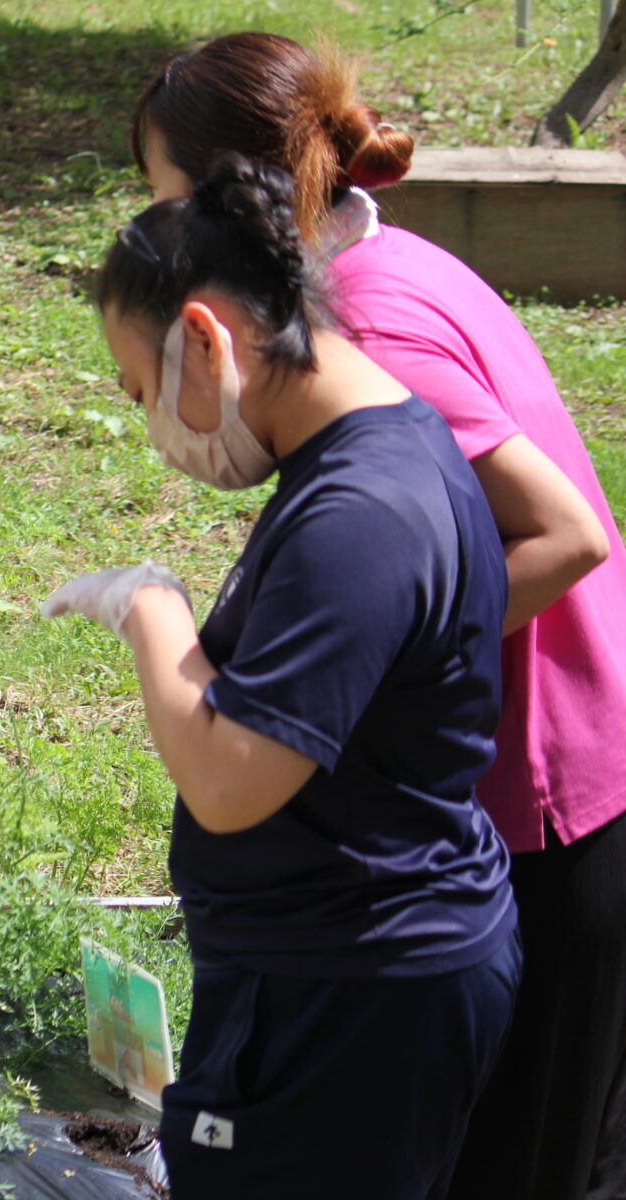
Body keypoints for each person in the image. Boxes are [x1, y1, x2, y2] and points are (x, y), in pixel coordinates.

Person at [130, 34, 626, 1199]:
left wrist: (354, 667)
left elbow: (569, 537)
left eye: (163, 205)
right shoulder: (371, 260)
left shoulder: (374, 327)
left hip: (544, 800)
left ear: (229, 200)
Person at [44, 156, 521, 1198]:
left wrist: (151, 610)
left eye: (142, 391)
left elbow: (230, 785)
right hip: (353, 970)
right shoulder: (371, 455)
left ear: (206, 339)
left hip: (346, 996)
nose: (152, 432)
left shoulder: (360, 515)